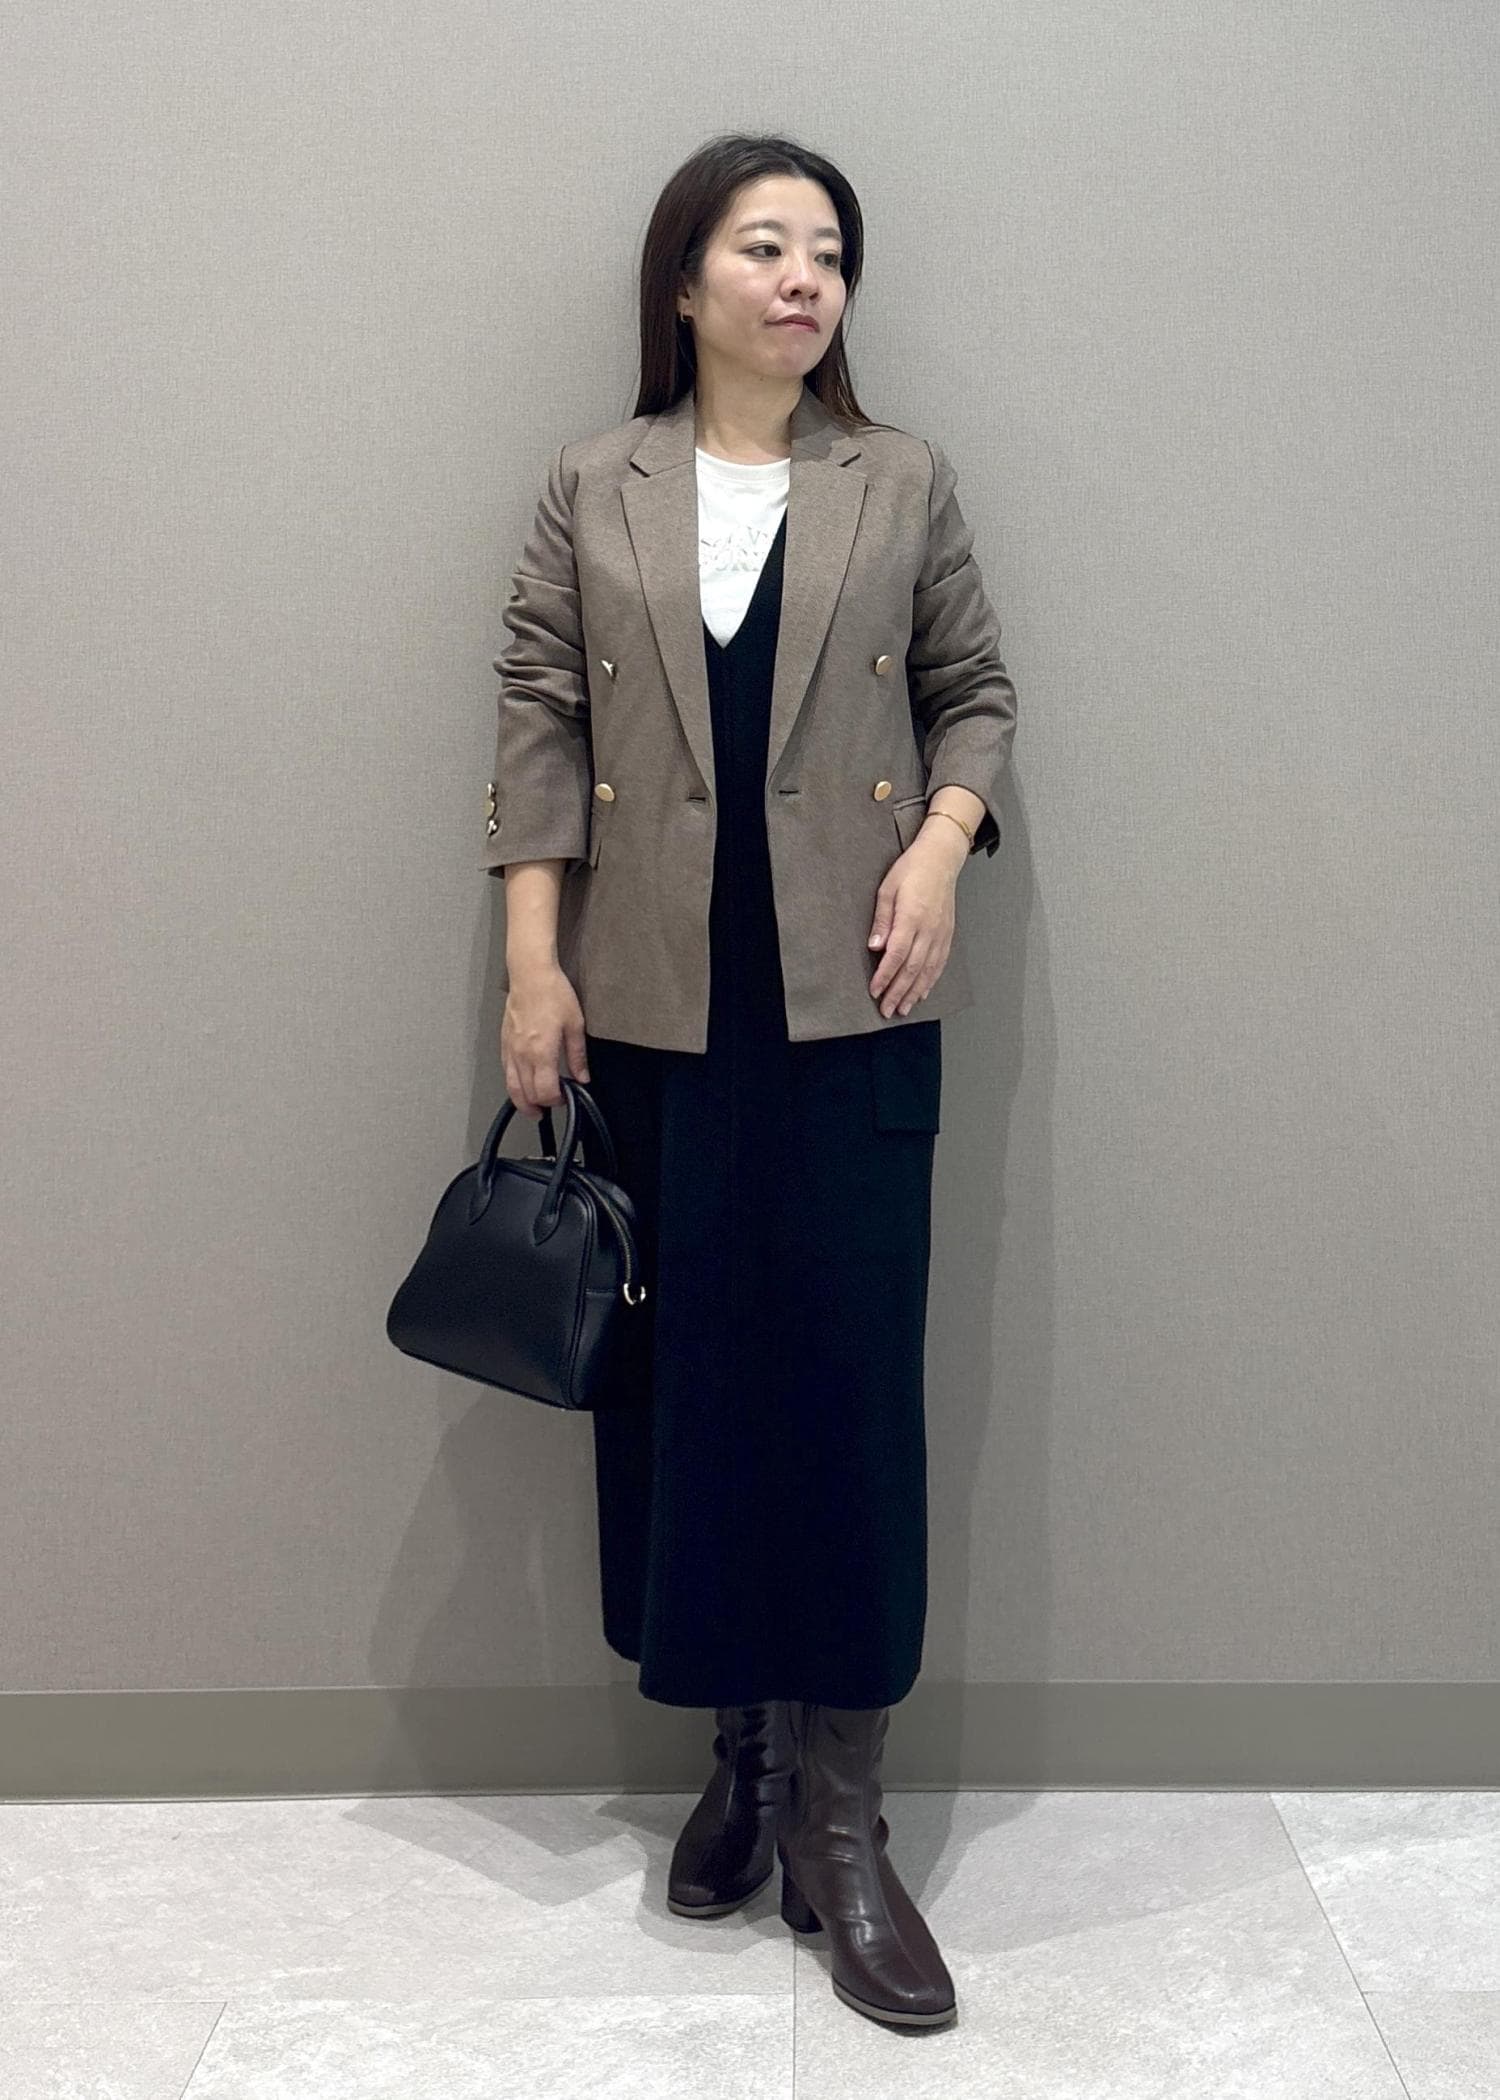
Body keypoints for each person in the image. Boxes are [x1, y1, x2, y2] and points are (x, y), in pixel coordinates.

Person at [481, 133, 1018, 2032]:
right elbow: (539, 714)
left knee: (847, 1391)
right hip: (649, 1015)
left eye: (830, 254)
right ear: (686, 280)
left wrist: (942, 845)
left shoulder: (901, 479)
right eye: (766, 246)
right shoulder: (594, 482)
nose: (804, 280)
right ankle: (743, 1762)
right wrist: (533, 963)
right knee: (688, 1390)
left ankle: (844, 1825)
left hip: (853, 1002)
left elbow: (975, 691)